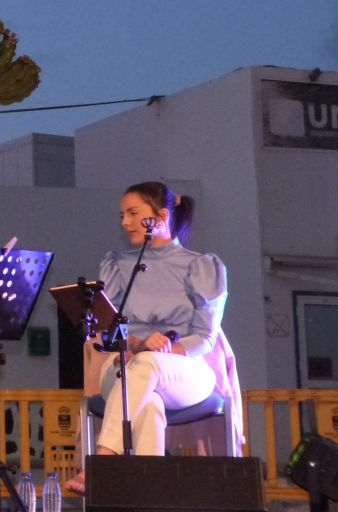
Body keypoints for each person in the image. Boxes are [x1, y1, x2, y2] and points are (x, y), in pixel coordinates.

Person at [65, 181, 226, 494]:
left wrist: (167, 351)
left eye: (133, 213)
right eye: (122, 215)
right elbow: (109, 330)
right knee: (147, 404)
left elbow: (206, 336)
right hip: (127, 364)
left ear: (161, 215)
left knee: (150, 365)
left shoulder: (200, 264)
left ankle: (102, 463)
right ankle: (150, 499)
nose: (125, 222)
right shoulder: (118, 265)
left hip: (185, 370)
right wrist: (139, 344)